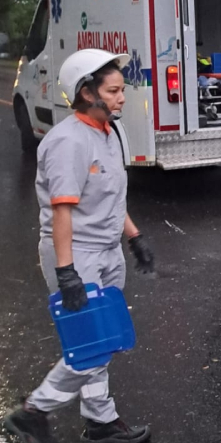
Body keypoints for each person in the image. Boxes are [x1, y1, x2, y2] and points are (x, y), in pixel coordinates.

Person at [3, 49, 156, 443]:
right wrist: (67, 273)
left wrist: (133, 235)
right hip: (75, 252)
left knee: (102, 340)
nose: (122, 97)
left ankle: (100, 421)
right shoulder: (67, 142)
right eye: (114, 90)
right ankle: (33, 411)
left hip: (107, 249)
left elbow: (108, 195)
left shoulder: (109, 132)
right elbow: (63, 214)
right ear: (87, 93)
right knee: (91, 342)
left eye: (122, 89)